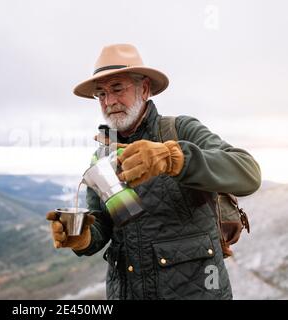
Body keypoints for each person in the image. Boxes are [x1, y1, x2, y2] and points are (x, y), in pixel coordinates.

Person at [46, 44, 261, 300]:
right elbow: (103, 222)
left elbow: (248, 173)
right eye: (101, 94)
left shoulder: (179, 129)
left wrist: (172, 158)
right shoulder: (101, 154)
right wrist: (83, 237)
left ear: (144, 89)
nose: (109, 101)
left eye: (117, 88)